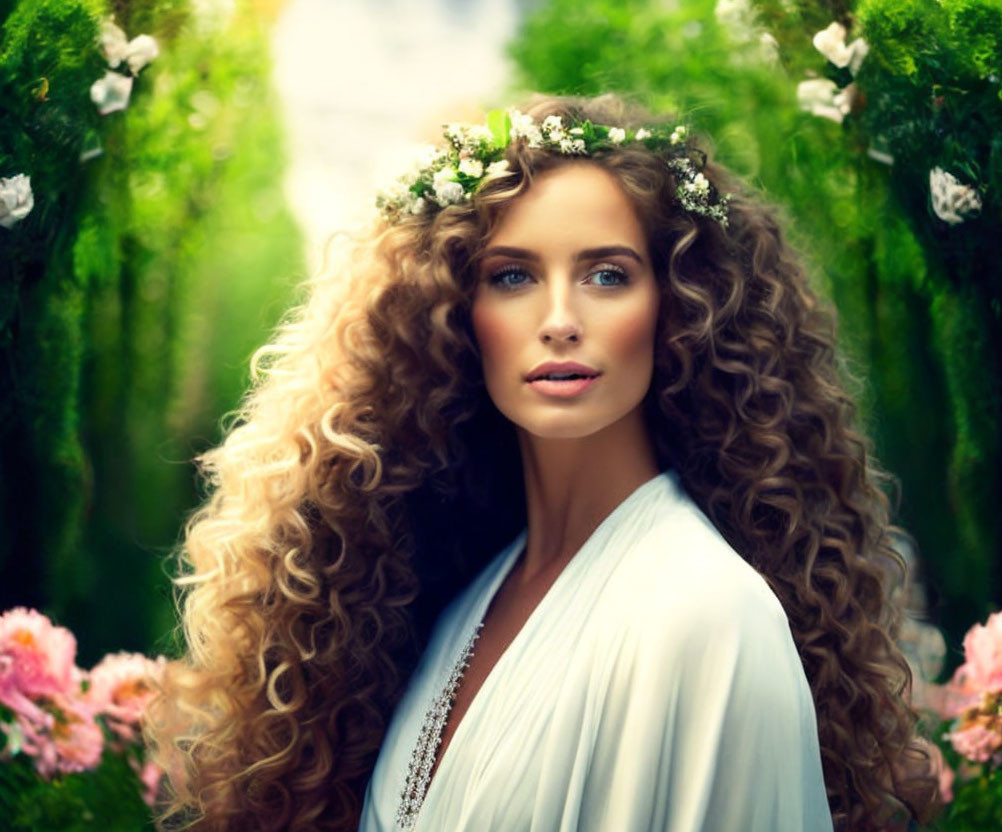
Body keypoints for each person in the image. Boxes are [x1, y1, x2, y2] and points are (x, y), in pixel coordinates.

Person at [145, 92, 941, 831]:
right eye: (514, 276)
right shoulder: (469, 598)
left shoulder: (709, 616)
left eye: (606, 275)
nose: (560, 320)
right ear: (457, 314)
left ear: (679, 309)